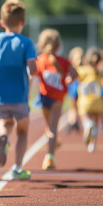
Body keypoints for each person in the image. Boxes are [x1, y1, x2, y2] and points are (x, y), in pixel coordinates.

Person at [0, 0, 37, 180]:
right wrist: (28, 70)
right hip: (20, 95)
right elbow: (33, 69)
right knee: (22, 131)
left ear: (2, 22)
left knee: (5, 122)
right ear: (23, 22)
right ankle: (17, 167)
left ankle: (3, 136)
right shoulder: (26, 43)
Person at [35, 29, 77, 170]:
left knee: (50, 128)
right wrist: (69, 80)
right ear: (58, 45)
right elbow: (75, 74)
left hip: (44, 97)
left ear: (41, 45)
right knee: (51, 127)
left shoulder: (40, 60)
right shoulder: (64, 61)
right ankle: (50, 157)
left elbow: (33, 75)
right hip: (58, 98)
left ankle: (50, 155)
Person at [77, 47, 103, 152]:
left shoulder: (82, 70)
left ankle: (87, 124)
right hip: (97, 102)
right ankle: (92, 145)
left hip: (85, 102)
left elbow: (74, 76)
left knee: (86, 119)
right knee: (96, 122)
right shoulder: (99, 72)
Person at [65, 47, 83, 134]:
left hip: (76, 87)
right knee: (74, 106)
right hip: (74, 86)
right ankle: (73, 122)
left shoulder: (79, 67)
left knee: (74, 106)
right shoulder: (73, 66)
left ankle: (73, 122)